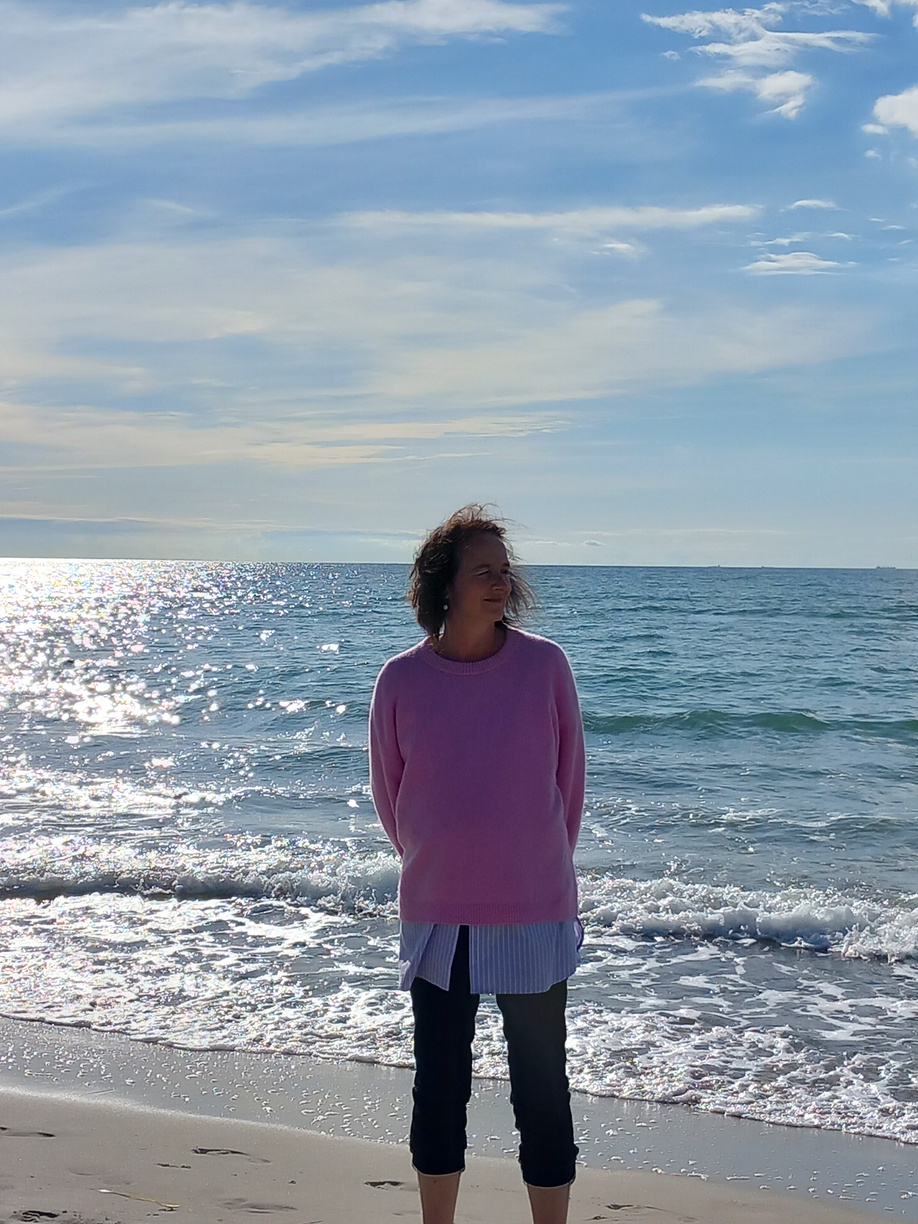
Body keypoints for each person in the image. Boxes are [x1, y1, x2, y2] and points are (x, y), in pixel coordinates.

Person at [368, 505, 585, 1224]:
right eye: (482, 571)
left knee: (541, 1089)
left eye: (504, 571)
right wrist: (442, 863)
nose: (500, 583)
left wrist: (532, 867)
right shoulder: (400, 680)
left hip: (533, 910)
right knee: (439, 1086)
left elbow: (569, 784)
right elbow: (391, 796)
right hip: (439, 914)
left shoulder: (544, 666)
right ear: (445, 584)